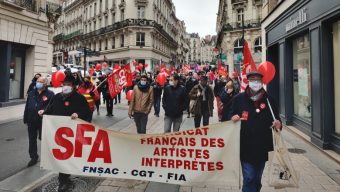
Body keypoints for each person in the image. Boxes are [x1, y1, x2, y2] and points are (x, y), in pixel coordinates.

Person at [230, 71, 282, 192]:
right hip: (245, 145)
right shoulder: (239, 99)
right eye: (253, 80)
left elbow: (277, 120)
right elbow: (229, 117)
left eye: (258, 80)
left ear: (262, 82)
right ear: (248, 82)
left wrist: (278, 125)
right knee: (249, 177)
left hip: (262, 146)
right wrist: (232, 118)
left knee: (257, 179)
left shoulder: (269, 100)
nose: (256, 83)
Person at [44, 75, 91, 192]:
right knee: (62, 158)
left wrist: (78, 115)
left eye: (68, 84)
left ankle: (66, 177)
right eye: (64, 84)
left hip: (74, 134)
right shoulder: (56, 97)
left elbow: (87, 113)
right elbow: (49, 110)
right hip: (59, 135)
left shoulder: (80, 98)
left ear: (73, 86)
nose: (66, 86)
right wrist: (42, 112)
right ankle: (63, 180)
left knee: (70, 157)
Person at [23, 76, 54, 167]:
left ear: (45, 84)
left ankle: (49, 156)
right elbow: (27, 106)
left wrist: (44, 111)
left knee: (44, 139)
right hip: (31, 119)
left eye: (40, 81)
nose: (38, 83)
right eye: (37, 81)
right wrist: (25, 118)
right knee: (32, 139)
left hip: (43, 120)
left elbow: (51, 107)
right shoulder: (32, 93)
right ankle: (33, 157)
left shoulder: (50, 94)